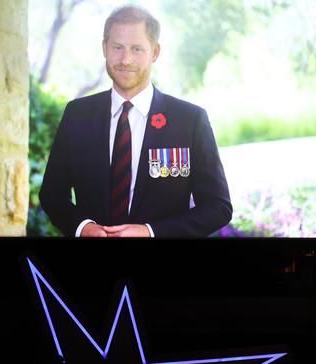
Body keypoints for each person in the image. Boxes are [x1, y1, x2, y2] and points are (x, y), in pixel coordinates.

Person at [39, 5, 232, 237]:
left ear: (155, 52)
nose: (125, 59)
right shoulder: (77, 114)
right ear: (104, 48)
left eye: (137, 49)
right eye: (117, 47)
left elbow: (218, 207)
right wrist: (83, 228)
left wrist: (151, 232)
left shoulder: (190, 120)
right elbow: (51, 194)